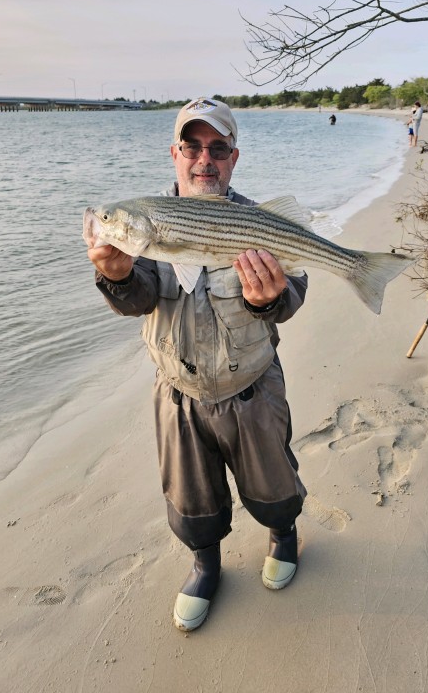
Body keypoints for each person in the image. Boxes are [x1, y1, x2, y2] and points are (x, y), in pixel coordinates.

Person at [86, 97, 308, 632]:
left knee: (275, 486)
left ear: (234, 157)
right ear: (175, 153)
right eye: (192, 146)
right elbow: (138, 300)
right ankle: (205, 563)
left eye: (218, 147)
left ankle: (283, 535)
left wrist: (267, 299)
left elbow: (294, 291)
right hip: (178, 391)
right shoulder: (146, 222)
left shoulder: (258, 220)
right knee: (192, 500)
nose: (203, 158)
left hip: (252, 385)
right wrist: (115, 275)